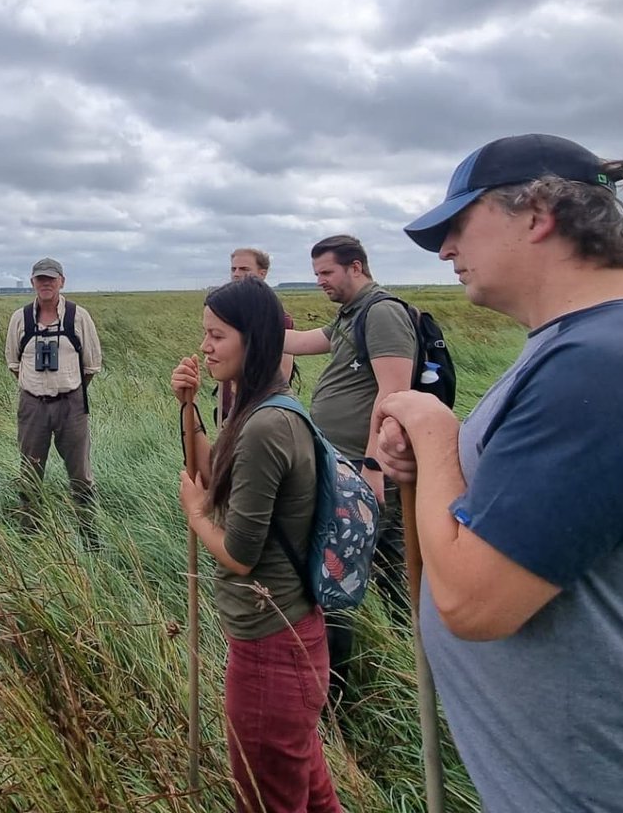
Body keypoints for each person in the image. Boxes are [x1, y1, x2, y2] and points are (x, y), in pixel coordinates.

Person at [377, 133, 623, 813]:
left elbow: (473, 603)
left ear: (538, 213)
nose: (445, 250)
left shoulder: (611, 364)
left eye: (459, 225)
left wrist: (435, 430)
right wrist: (442, 460)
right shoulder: (592, 345)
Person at [172, 277, 343, 813]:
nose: (205, 346)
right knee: (311, 794)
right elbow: (215, 475)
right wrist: (187, 407)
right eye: (205, 333)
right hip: (289, 635)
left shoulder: (267, 425)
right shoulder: (262, 408)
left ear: (256, 339)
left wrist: (196, 514)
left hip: (272, 648)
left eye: (218, 335)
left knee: (268, 799)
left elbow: (240, 555)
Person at [282, 233, 415, 699]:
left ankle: (401, 660)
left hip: (367, 469)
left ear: (355, 267)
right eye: (316, 273)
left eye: (327, 272)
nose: (320, 281)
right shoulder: (350, 315)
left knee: (375, 563)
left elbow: (394, 396)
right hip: (345, 464)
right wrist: (245, 323)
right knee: (370, 560)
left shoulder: (381, 313)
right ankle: (396, 649)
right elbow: (301, 341)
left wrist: (373, 467)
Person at [4, 258, 103, 525]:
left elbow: (91, 365)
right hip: (32, 406)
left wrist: (66, 388)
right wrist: (36, 387)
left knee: (80, 474)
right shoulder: (20, 318)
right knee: (30, 472)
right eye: (40, 278)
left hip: (71, 405)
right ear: (32, 282)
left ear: (62, 281)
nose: (46, 283)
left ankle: (88, 530)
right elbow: (14, 363)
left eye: (51, 278)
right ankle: (30, 531)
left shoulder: (78, 316)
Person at [216, 248, 295, 425]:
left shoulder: (276, 318)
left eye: (244, 269)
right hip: (228, 407)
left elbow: (284, 371)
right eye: (233, 269)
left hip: (259, 410)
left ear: (262, 274)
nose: (236, 274)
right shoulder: (226, 315)